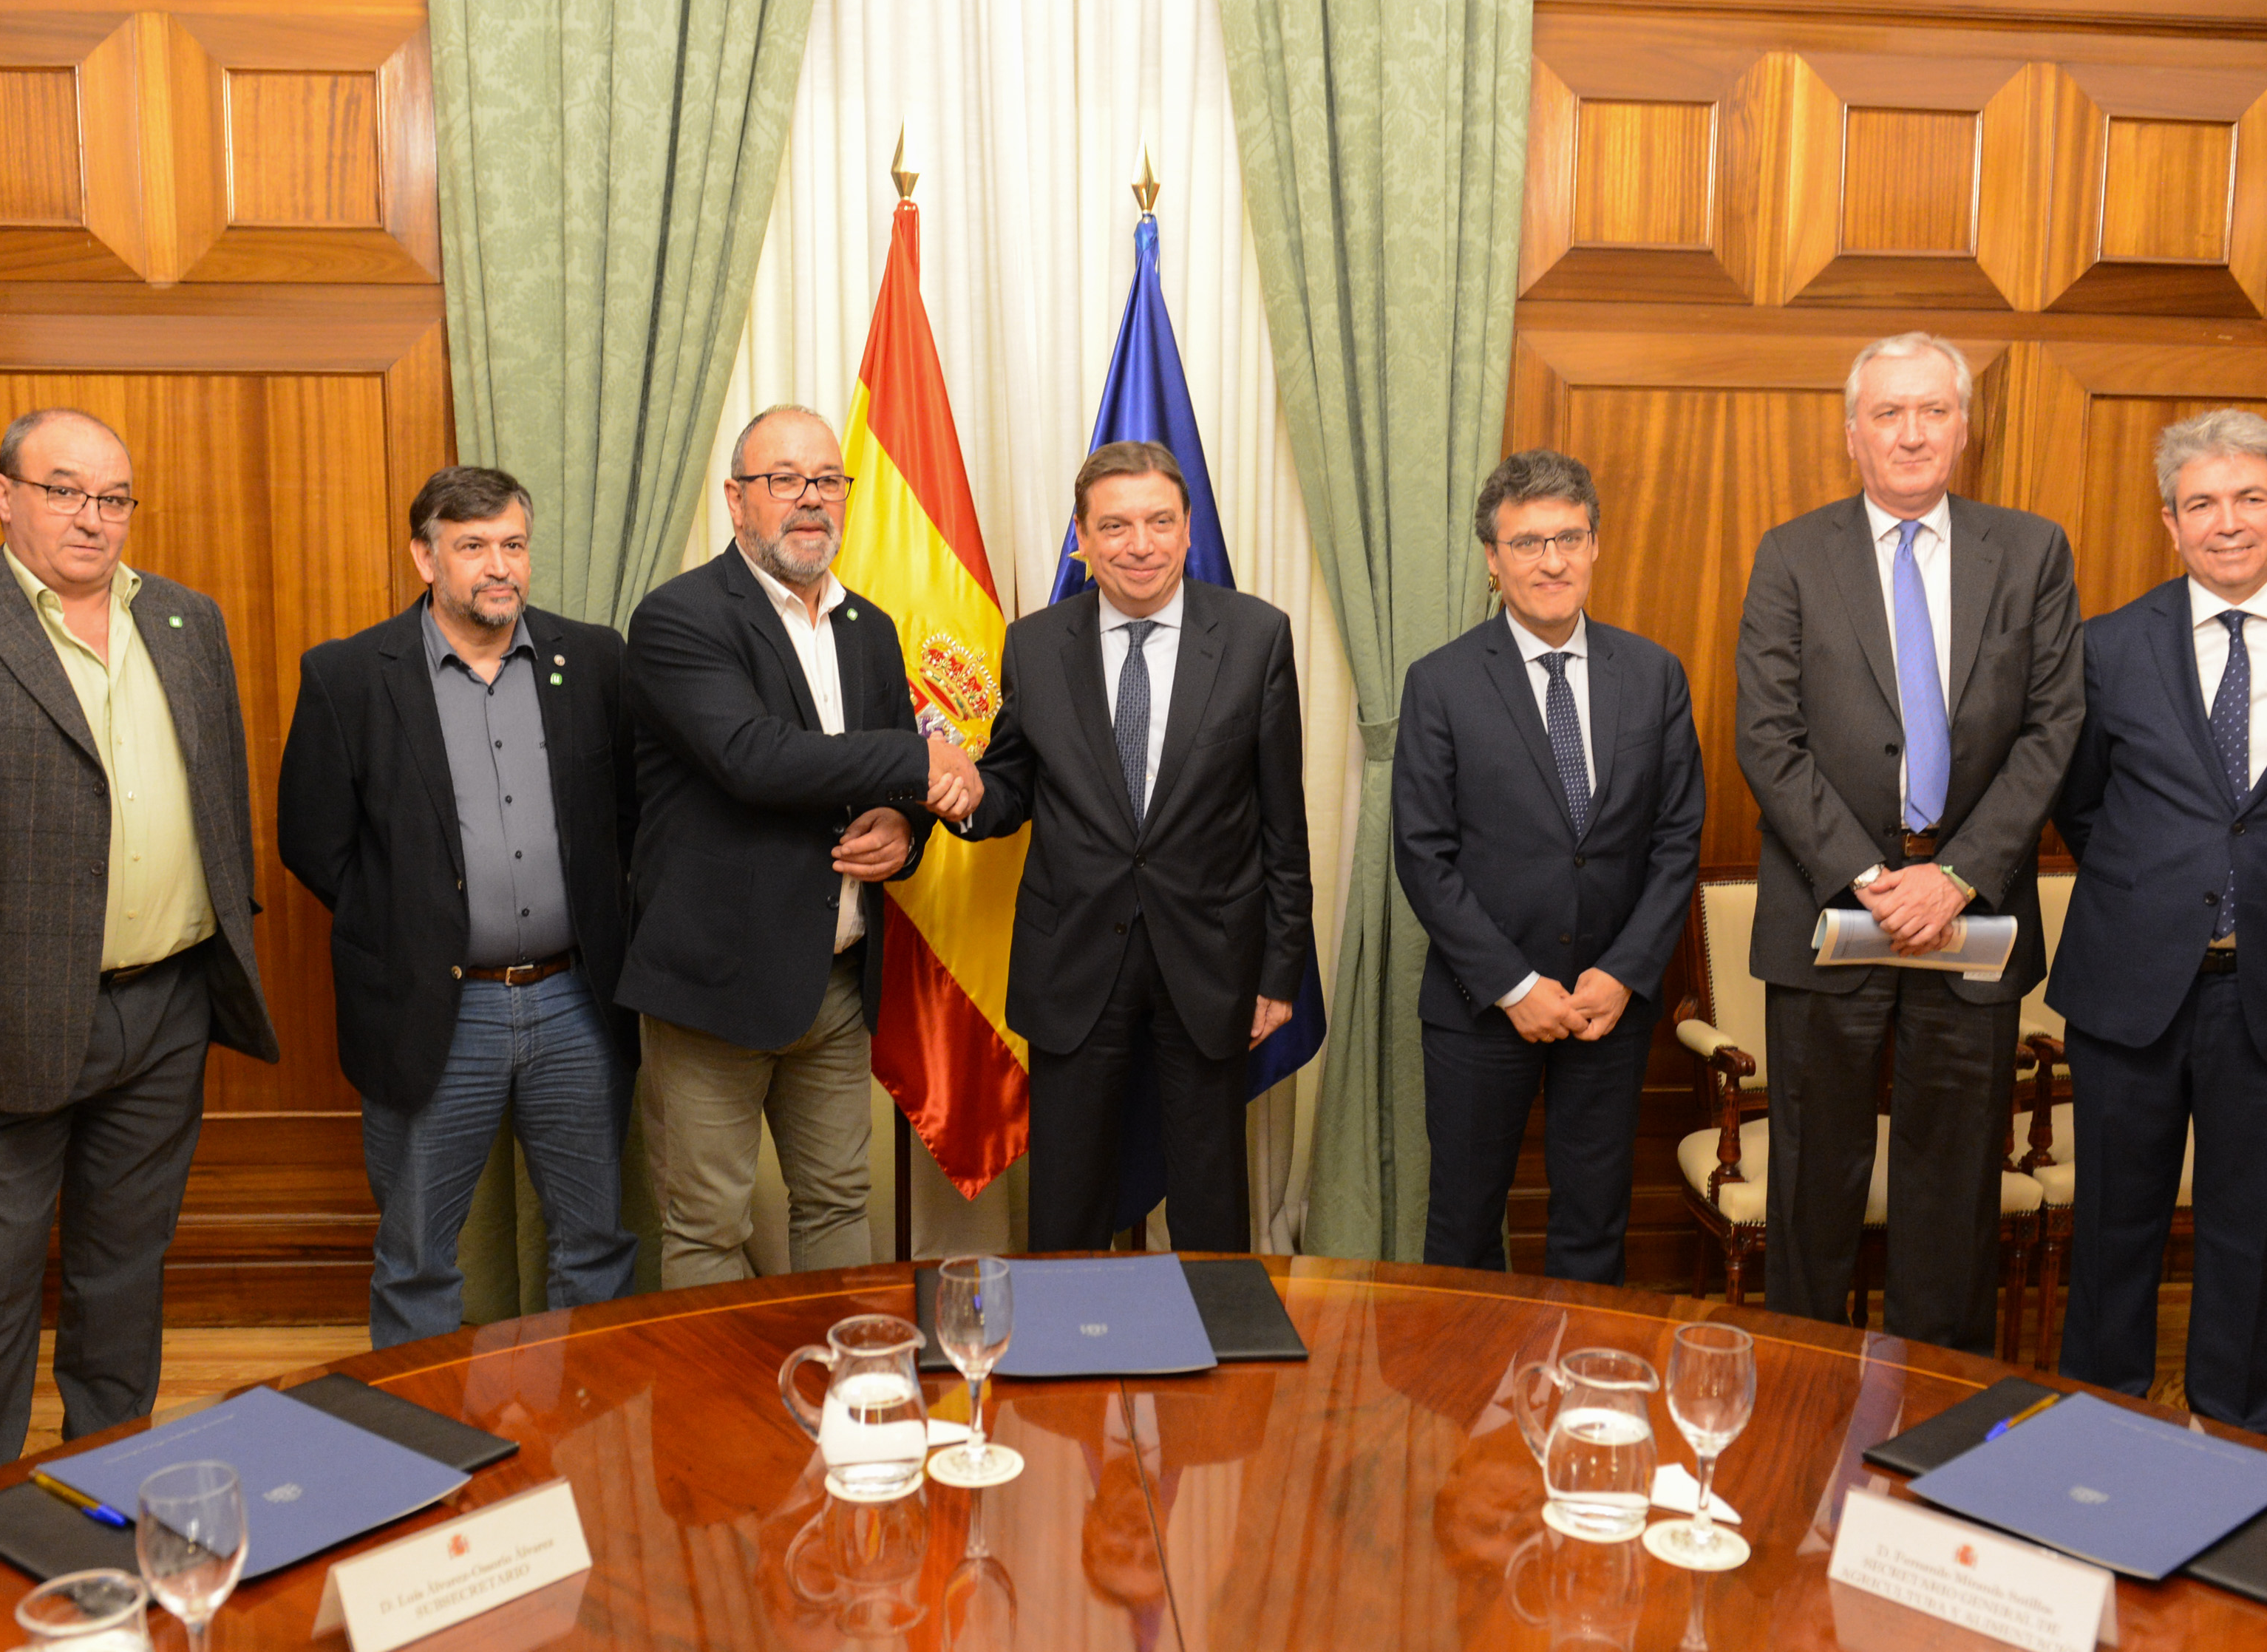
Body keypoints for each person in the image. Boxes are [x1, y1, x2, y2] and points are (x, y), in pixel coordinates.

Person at [0, 407, 279, 1494]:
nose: (91, 517)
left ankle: (105, 1496)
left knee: (124, 1281)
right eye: (63, 490)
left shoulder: (186, 620)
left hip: (165, 1010)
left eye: (113, 497)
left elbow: (215, 793)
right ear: (4, 494)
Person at [2050, 409, 2267, 1432]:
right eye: (2201, 503)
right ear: (2170, 524)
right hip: (2132, 981)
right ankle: (2095, 1427)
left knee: (2254, 1235)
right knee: (2112, 1226)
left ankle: (2237, 1442)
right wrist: (2163, 893)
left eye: (2250, 497)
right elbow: (2082, 803)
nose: (2228, 521)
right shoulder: (2108, 645)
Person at [1734, 332, 2083, 1353]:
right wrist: (1871, 876)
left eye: (1933, 410)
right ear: (1853, 434)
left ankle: (1939, 1407)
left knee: (1954, 1188)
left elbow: (2053, 727)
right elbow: (1767, 736)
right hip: (1828, 912)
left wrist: (1957, 876)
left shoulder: (2031, 552)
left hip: (1972, 919)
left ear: (1964, 429)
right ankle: (1804, 1392)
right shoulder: (1792, 554)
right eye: (1888, 412)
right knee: (1813, 1182)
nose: (1912, 432)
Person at [278, 466, 639, 1349]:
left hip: (576, 1002)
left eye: (513, 544)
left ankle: (578, 1423)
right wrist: (409, 924)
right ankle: (420, 1432)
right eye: (473, 546)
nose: (499, 566)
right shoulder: (350, 675)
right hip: (434, 1008)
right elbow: (313, 842)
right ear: (425, 556)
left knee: (594, 1244)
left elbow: (631, 817)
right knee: (417, 1258)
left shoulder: (595, 660)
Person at [619, 404, 977, 1286]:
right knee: (709, 1224)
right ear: (736, 499)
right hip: (714, 987)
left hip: (838, 981)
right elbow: (754, 757)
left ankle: (837, 1373)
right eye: (784, 480)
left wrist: (906, 826)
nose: (810, 499)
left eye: (826, 480)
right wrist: (920, 757)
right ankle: (729, 1384)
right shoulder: (679, 617)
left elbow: (890, 792)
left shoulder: (870, 628)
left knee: (840, 1204)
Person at [956, 439, 1311, 1251]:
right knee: (1068, 1194)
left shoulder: (1256, 637)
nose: (1139, 544)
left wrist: (1278, 970)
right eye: (1114, 526)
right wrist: (962, 793)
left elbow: (1282, 822)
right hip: (1075, 956)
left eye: (1159, 522)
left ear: (1188, 529)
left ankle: (1213, 1328)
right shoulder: (1033, 644)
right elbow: (1011, 788)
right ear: (1082, 539)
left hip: (1211, 958)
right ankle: (1068, 1332)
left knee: (1209, 1197)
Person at [1393, 451, 1704, 1279]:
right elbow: (1422, 855)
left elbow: (1677, 838)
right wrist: (1515, 986)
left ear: (1595, 544)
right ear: (1492, 560)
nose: (1552, 561)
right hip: (1481, 1007)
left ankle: (1583, 1371)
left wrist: (1625, 972)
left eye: (1568, 537)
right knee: (1463, 1230)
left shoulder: (1654, 675)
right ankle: (1466, 1373)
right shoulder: (1440, 683)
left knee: (1594, 1230)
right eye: (1527, 543)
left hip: (1610, 1006)